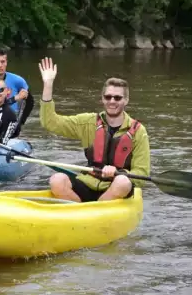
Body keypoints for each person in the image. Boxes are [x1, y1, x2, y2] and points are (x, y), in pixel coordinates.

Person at [38, 57, 150, 202]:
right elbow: (50, 122)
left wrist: (119, 173)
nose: (112, 101)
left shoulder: (139, 131)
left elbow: (141, 174)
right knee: (57, 180)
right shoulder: (88, 122)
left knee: (122, 182)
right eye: (108, 97)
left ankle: (95, 209)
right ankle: (81, 211)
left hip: (116, 190)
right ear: (102, 99)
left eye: (117, 98)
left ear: (126, 100)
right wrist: (48, 84)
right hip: (89, 183)